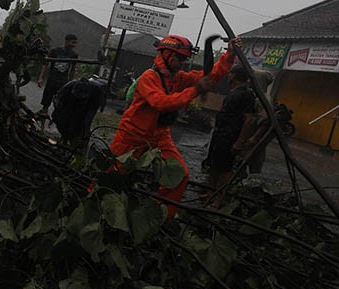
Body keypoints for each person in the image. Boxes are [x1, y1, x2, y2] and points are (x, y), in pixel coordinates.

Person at [109, 34, 241, 219]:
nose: (182, 62)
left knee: (180, 176)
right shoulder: (149, 77)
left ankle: (160, 217)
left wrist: (230, 54)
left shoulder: (177, 78)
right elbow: (161, 102)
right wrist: (196, 90)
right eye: (179, 58)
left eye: (184, 59)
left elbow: (209, 75)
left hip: (160, 135)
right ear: (166, 55)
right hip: (132, 135)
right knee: (112, 176)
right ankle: (100, 209)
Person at [204, 64, 257, 204]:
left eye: (229, 73)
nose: (228, 75)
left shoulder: (246, 94)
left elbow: (249, 120)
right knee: (214, 165)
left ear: (233, 75)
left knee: (225, 169)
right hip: (220, 135)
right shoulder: (234, 91)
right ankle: (209, 193)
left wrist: (239, 141)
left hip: (230, 137)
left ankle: (218, 201)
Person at [37, 34, 79, 118]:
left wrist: (71, 83)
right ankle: (42, 120)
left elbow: (72, 69)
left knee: (60, 103)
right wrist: (41, 77)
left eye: (75, 43)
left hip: (63, 82)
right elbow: (46, 64)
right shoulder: (55, 51)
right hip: (52, 80)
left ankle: (54, 121)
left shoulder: (74, 55)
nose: (74, 45)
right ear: (67, 41)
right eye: (72, 42)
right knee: (46, 103)